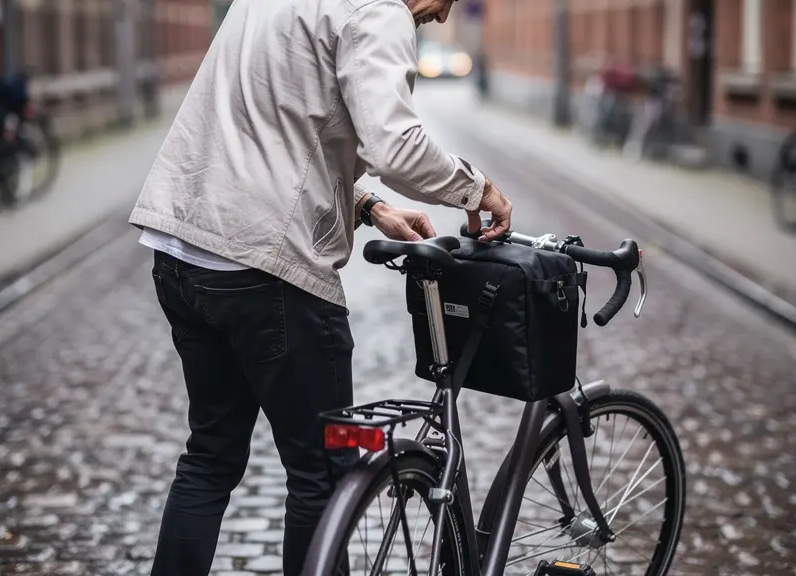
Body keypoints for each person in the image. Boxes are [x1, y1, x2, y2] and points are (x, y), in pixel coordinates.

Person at [128, 0, 513, 574]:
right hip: (267, 269)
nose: (437, 16)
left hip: (184, 248)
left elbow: (275, 116)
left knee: (209, 457)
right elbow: (397, 146)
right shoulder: (378, 11)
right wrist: (478, 190)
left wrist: (369, 204)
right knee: (324, 476)